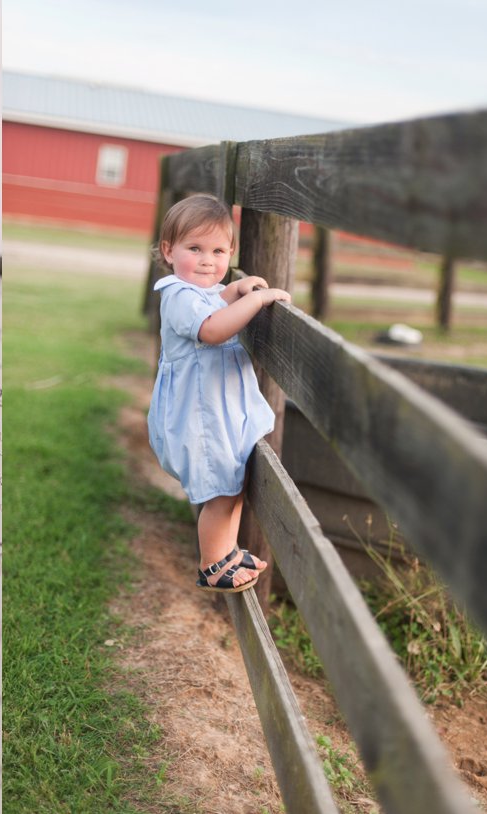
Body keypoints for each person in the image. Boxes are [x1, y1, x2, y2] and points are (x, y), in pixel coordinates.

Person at [147, 193, 291, 593]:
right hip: (200, 417)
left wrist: (236, 289)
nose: (208, 260)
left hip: (215, 410)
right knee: (220, 490)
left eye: (218, 250)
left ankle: (228, 551)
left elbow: (215, 300)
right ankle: (213, 564)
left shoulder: (201, 291)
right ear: (168, 251)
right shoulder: (176, 294)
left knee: (234, 482)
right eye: (195, 249)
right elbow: (211, 328)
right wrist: (258, 299)